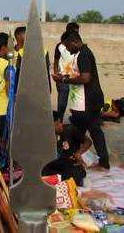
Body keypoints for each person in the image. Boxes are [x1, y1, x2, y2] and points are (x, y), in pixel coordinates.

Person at [53, 30, 110, 170]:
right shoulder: (77, 54)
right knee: (78, 133)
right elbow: (75, 74)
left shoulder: (84, 54)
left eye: (67, 46)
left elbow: (85, 78)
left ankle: (103, 161)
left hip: (89, 102)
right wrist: (63, 76)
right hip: (79, 103)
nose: (66, 49)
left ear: (74, 42)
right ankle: (76, 157)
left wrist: (65, 80)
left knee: (94, 131)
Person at [41, 111, 90, 186]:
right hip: (53, 164)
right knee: (41, 173)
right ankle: (60, 180)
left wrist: (78, 153)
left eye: (60, 122)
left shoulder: (69, 129)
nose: (61, 125)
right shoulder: (45, 136)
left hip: (68, 162)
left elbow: (88, 141)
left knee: (77, 173)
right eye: (57, 124)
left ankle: (58, 180)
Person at [13, 26, 52, 93]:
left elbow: (18, 74)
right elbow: (47, 72)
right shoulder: (44, 51)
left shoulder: (21, 53)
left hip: (26, 88)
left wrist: (16, 90)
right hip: (38, 88)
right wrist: (49, 88)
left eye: (22, 43)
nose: (21, 46)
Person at [53, 23, 78, 120]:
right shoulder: (59, 46)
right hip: (62, 77)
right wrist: (56, 74)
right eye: (75, 32)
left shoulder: (77, 46)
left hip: (74, 78)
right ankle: (59, 120)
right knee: (62, 101)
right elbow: (55, 60)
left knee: (75, 101)